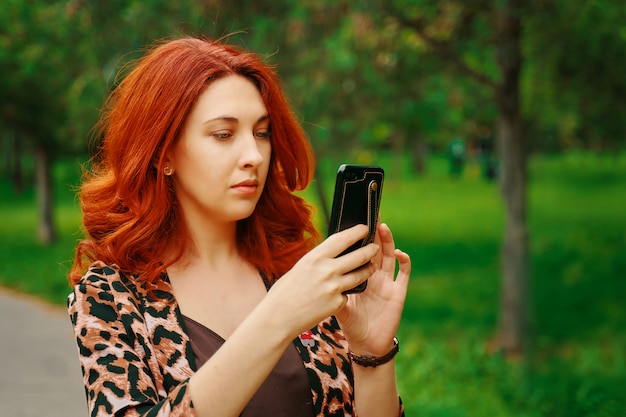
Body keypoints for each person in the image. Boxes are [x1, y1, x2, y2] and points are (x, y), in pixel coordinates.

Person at [67, 36, 411, 417]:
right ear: (164, 155)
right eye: (224, 134)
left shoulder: (296, 272)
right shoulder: (109, 294)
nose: (253, 156)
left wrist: (372, 353)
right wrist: (278, 317)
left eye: (261, 133)